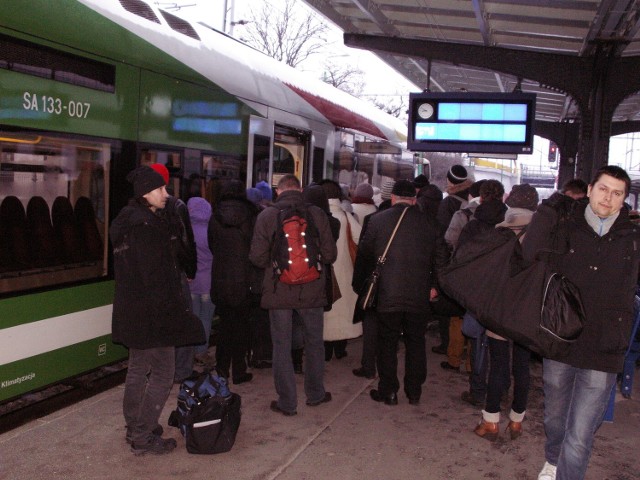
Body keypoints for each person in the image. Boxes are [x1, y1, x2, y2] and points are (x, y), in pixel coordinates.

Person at [522, 166, 640, 480]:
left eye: (617, 193)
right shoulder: (563, 226)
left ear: (625, 199)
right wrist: (547, 210)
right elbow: (528, 257)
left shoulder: (633, 238)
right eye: (603, 189)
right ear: (589, 190)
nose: (609, 197)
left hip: (605, 344)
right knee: (556, 419)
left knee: (581, 431)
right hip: (560, 338)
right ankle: (552, 459)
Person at [111, 165, 204, 455]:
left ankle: (135, 425)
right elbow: (156, 280)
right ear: (145, 193)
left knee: (138, 369)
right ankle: (142, 434)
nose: (166, 193)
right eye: (161, 189)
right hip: (153, 315)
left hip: (133, 311)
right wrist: (173, 317)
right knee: (164, 372)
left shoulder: (128, 222)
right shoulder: (147, 229)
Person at [249, 174, 337, 416]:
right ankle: (316, 394)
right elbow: (330, 255)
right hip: (312, 290)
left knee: (281, 345)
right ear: (300, 190)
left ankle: (287, 402)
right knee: (314, 343)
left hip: (278, 291)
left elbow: (256, 257)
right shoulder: (317, 214)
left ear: (278, 191)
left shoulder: (266, 216)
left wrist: (278, 266)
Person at [359, 180, 438, 405]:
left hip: (387, 291)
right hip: (419, 292)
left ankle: (389, 391)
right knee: (416, 341)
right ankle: (414, 392)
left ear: (392, 198)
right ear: (414, 199)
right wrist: (434, 285)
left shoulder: (377, 220)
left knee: (387, 341)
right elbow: (439, 257)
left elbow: (365, 252)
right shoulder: (429, 223)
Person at [473, 184, 538, 441]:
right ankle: (517, 421)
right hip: (527, 312)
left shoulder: (498, 234)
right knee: (522, 366)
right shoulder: (543, 237)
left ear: (510, 204)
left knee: (498, 366)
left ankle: (490, 421)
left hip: (500, 310)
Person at [150, 163, 198, 384]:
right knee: (185, 320)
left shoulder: (141, 207)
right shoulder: (177, 205)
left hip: (154, 274)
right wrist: (190, 270)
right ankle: (182, 370)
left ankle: (158, 369)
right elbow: (187, 241)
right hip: (175, 272)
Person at [208, 180, 259, 385]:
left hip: (220, 279)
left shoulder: (215, 216)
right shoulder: (252, 215)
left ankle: (221, 369)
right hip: (245, 280)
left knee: (224, 327)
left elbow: (212, 246)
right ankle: (239, 370)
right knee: (241, 327)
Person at [319, 179, 363, 361]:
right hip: (344, 272)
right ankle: (340, 349)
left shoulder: (317, 215)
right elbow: (360, 238)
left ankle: (325, 350)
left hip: (323, 271)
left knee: (326, 313)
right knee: (342, 312)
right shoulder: (345, 216)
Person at [187, 197, 215, 368]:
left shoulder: (187, 230)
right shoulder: (210, 231)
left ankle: (189, 352)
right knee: (206, 318)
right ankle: (201, 352)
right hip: (208, 282)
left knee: (194, 317)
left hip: (191, 282)